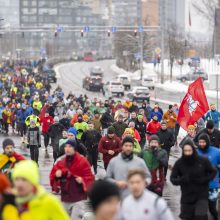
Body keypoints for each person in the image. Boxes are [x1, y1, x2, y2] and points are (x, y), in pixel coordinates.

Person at [170, 139, 216, 220]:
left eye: (189, 150)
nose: (187, 153)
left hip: (201, 195)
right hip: (187, 197)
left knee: (200, 217)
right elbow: (172, 178)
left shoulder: (202, 161)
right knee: (187, 217)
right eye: (185, 151)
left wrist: (204, 179)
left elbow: (213, 172)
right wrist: (181, 180)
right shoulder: (180, 163)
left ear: (193, 150)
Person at [50, 140, 94, 219]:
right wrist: (56, 175)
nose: (67, 148)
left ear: (74, 148)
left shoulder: (82, 161)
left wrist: (82, 180)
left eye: (70, 147)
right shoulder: (60, 161)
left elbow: (90, 177)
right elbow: (52, 177)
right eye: (66, 146)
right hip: (64, 198)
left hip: (78, 199)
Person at [197, 133, 220, 220]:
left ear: (207, 142)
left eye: (203, 142)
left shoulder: (217, 152)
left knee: (212, 208)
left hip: (213, 185)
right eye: (200, 142)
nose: (202, 144)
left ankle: (215, 217)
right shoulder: (196, 152)